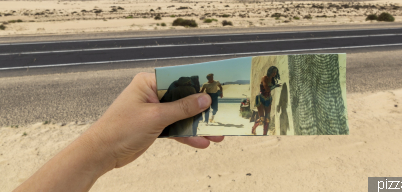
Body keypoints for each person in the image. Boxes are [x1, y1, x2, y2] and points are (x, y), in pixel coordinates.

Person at [13, 72, 224, 192]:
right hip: (201, 106)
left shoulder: (202, 85)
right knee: (206, 114)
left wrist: (105, 148)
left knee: (206, 115)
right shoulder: (204, 85)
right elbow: (204, 92)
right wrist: (105, 148)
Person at [251, 66, 281, 135]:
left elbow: (269, 90)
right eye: (273, 72)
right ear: (270, 71)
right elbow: (267, 89)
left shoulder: (273, 80)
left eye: (275, 72)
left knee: (267, 120)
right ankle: (253, 128)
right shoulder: (264, 78)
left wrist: (275, 85)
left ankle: (264, 135)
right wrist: (275, 86)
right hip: (260, 98)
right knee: (262, 119)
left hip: (268, 99)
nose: (274, 73)